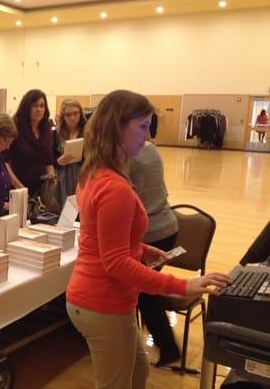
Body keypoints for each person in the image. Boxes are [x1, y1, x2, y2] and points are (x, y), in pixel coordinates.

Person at [65, 89, 231, 389]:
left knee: (138, 373)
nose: (148, 134)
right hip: (103, 302)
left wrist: (140, 248)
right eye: (142, 126)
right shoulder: (114, 187)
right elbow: (115, 263)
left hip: (97, 297)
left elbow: (102, 237)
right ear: (118, 126)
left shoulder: (93, 172)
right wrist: (184, 284)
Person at [129, 140, 181, 367]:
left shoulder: (128, 155)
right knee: (144, 291)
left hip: (152, 232)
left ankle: (167, 347)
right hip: (167, 226)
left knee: (143, 293)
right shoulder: (150, 147)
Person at [5, 89, 55, 196]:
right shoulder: (15, 127)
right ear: (26, 107)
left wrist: (51, 176)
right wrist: (20, 187)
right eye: (34, 106)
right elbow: (5, 163)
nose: (39, 109)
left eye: (42, 106)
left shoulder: (47, 129)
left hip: (41, 190)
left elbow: (49, 160)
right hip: (17, 188)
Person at [53, 99, 87, 209]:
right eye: (68, 114)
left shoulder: (88, 131)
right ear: (63, 116)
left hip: (82, 173)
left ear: (80, 114)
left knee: (81, 206)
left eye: (75, 113)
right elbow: (49, 157)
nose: (72, 118)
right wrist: (57, 161)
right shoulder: (56, 134)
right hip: (63, 175)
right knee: (65, 208)